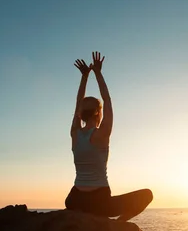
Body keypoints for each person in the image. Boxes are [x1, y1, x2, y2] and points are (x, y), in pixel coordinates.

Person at [65, 51, 153, 221]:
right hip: (100, 203)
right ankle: (118, 224)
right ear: (99, 113)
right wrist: (98, 72)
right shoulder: (102, 133)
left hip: (74, 200)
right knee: (147, 194)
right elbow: (107, 99)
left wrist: (84, 77)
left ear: (80, 114)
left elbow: (78, 103)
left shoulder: (74, 132)